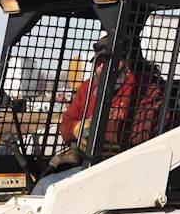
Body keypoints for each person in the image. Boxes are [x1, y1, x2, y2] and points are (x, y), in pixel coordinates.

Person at [32, 35, 165, 195]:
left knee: (48, 188)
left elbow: (141, 135)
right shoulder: (88, 88)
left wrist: (96, 130)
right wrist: (77, 128)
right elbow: (66, 124)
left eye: (107, 61)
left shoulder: (146, 88)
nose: (101, 67)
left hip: (132, 168)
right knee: (44, 183)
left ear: (125, 62)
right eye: (98, 62)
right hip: (94, 165)